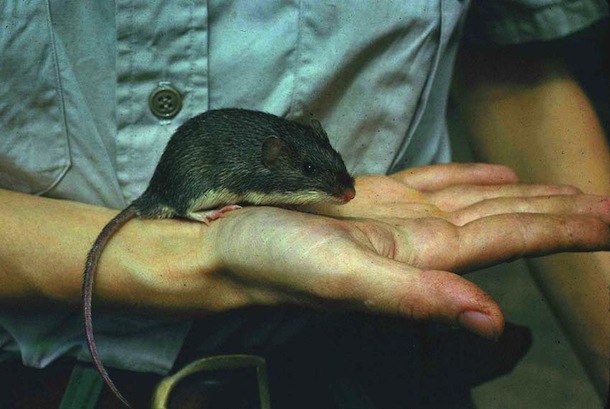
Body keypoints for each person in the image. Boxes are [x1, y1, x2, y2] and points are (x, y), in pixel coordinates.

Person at [0, 1, 608, 407]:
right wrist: (187, 256)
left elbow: (517, 63)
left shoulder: (291, 155)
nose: (341, 196)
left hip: (378, 372)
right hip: (35, 378)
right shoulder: (256, 170)